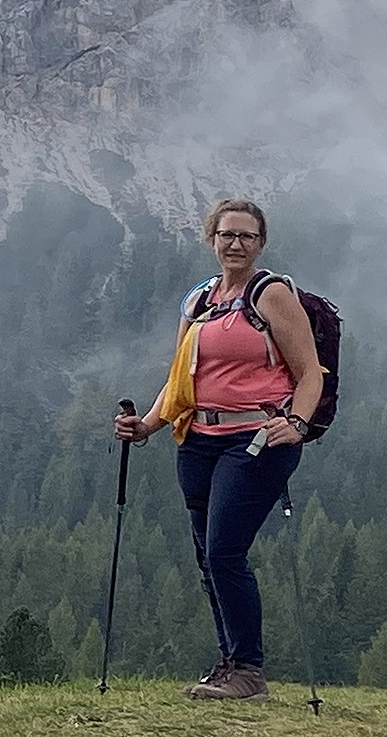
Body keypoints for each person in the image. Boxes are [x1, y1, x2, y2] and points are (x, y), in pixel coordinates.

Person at [114, 198, 322, 702]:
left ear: (261, 243)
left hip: (255, 439)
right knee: (209, 556)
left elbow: (311, 372)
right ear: (211, 239)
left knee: (225, 552)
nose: (236, 244)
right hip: (197, 440)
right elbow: (181, 378)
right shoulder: (199, 302)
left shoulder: (271, 295)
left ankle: (248, 671)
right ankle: (232, 664)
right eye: (227, 235)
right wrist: (146, 425)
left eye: (247, 236)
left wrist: (297, 423)